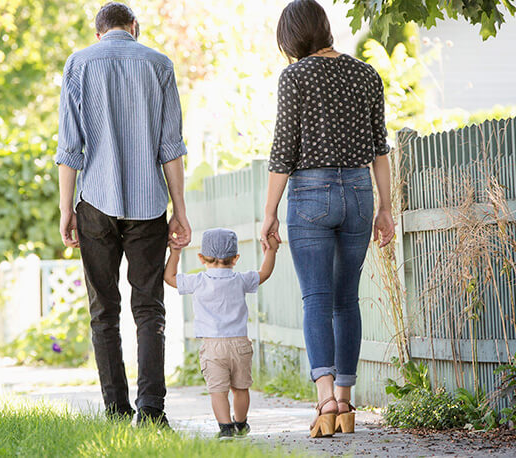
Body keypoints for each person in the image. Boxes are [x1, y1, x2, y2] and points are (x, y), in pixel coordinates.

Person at [260, 0, 395, 438]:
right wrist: (385, 208)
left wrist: (269, 214)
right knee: (346, 300)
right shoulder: (366, 74)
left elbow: (284, 151)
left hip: (311, 194)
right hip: (358, 192)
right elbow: (380, 149)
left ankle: (324, 401)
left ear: (293, 36)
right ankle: (346, 400)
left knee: (316, 298)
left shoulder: (295, 77)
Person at [55, 2, 191, 427]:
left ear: (99, 33)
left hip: (94, 203)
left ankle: (116, 411)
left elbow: (69, 149)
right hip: (149, 205)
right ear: (134, 28)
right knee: (150, 309)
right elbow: (171, 147)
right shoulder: (159, 64)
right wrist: (179, 211)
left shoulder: (78, 64)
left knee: (103, 310)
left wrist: (65, 210)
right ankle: (151, 412)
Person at [164, 228, 279, 438]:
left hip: (212, 347)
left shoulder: (197, 281)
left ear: (201, 257)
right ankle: (241, 424)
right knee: (241, 388)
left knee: (218, 390)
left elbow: (170, 278)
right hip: (240, 343)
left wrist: (175, 253)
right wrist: (271, 251)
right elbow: (265, 273)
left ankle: (226, 429)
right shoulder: (240, 280)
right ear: (235, 258)